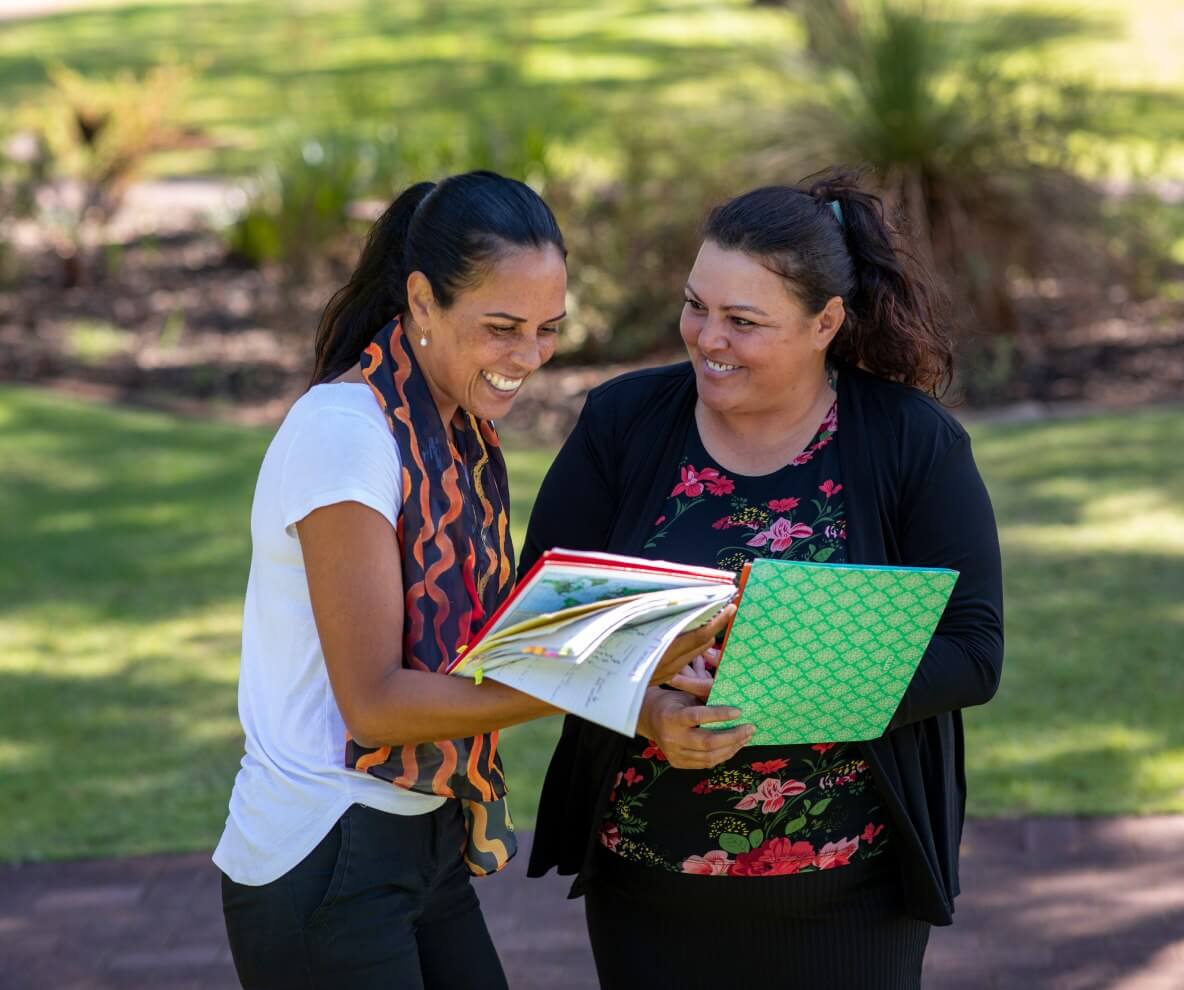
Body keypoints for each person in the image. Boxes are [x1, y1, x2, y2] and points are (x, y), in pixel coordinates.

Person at [213, 170, 732, 990]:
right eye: (501, 328)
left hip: (423, 836)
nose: (526, 359)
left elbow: (492, 652)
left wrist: (646, 670)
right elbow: (377, 703)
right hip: (324, 847)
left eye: (548, 330)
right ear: (422, 302)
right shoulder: (346, 435)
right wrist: (605, 674)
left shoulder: (454, 435)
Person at [522, 168, 1004, 988]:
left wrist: (785, 679)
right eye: (696, 305)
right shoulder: (623, 422)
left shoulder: (911, 442)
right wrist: (648, 708)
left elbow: (973, 650)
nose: (708, 338)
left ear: (825, 322)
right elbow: (536, 628)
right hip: (648, 887)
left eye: (744, 321)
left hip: (851, 893)